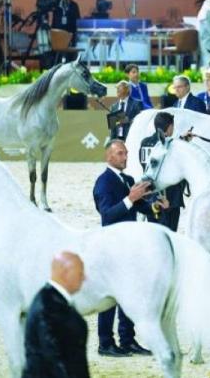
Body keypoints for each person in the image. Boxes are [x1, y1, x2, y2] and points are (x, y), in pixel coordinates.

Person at [92, 140, 157, 356]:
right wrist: (130, 198)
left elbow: (140, 206)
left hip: (130, 247)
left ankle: (128, 339)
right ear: (108, 156)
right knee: (110, 297)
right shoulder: (103, 182)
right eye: (120, 153)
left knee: (130, 295)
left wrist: (155, 207)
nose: (125, 157)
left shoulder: (128, 179)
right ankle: (105, 343)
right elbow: (107, 215)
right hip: (111, 248)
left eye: (126, 153)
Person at [23, 251, 90, 378]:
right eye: (80, 273)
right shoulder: (49, 308)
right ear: (66, 273)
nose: (84, 277)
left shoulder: (53, 300)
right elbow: (55, 360)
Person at [138, 113, 179, 231]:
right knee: (170, 233)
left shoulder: (145, 142)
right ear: (169, 127)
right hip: (169, 197)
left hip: (149, 193)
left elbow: (143, 164)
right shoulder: (170, 145)